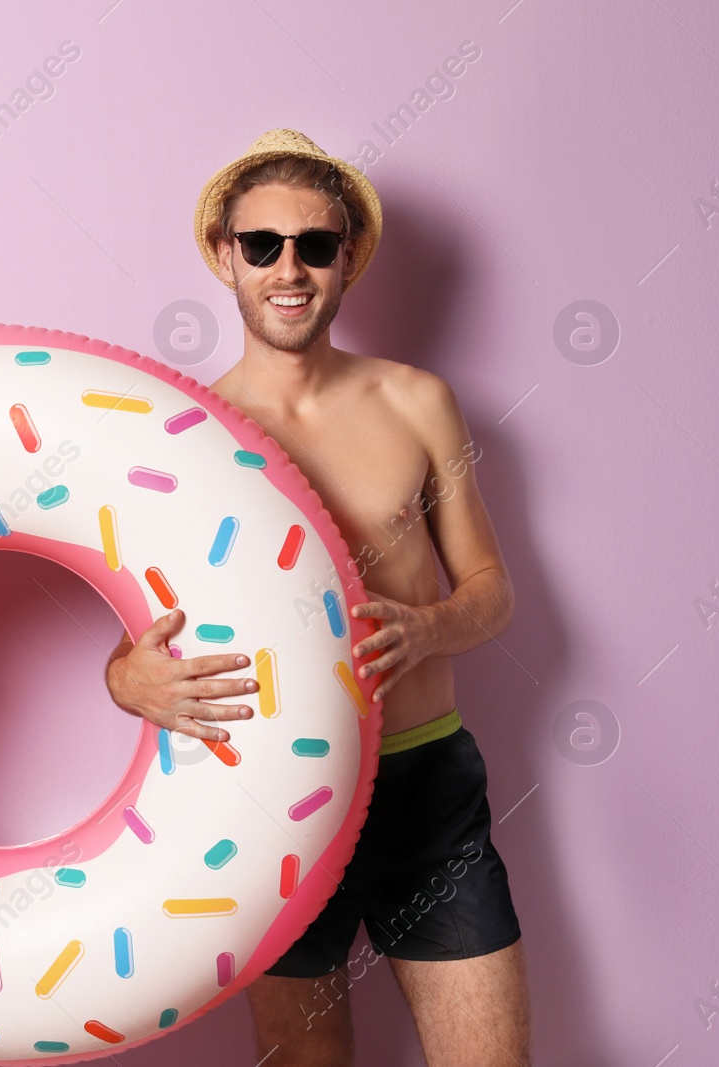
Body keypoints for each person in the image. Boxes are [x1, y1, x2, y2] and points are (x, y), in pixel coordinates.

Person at [104, 130, 530, 1066]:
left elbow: (491, 591)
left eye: (314, 245)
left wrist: (429, 627)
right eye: (262, 245)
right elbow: (139, 635)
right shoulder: (187, 433)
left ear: (346, 260)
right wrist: (127, 681)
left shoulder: (418, 401)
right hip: (269, 791)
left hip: (426, 785)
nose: (287, 268)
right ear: (226, 256)